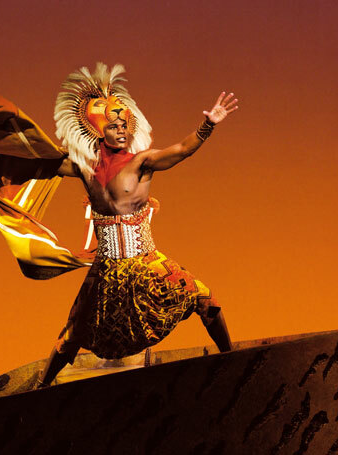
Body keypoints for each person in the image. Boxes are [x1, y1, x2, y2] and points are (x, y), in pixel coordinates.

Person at [37, 63, 238, 387]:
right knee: (72, 334)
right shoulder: (84, 168)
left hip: (146, 261)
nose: (122, 130)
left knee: (205, 299)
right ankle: (42, 388)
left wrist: (208, 125)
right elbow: (36, 162)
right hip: (106, 270)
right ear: (97, 130)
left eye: (125, 126)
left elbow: (182, 150)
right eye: (114, 125)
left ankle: (231, 359)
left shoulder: (142, 162)